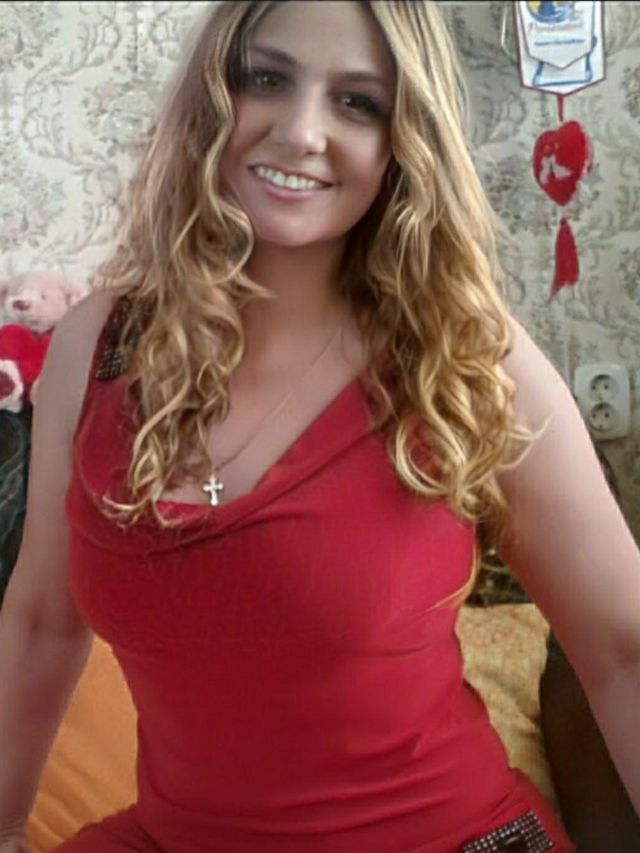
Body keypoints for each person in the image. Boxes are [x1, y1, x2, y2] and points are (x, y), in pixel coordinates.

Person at [0, 1, 638, 850]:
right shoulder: (97, 344)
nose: (302, 132)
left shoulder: (469, 355)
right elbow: (42, 619)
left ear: (404, 139)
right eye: (267, 79)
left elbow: (622, 650)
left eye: (357, 102)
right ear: (212, 95)